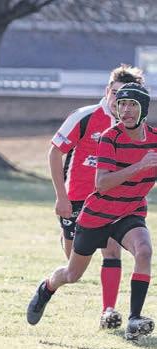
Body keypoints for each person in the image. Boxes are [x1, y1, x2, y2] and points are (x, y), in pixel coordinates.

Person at [28, 82, 157, 340]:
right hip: (96, 216)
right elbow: (102, 183)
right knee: (72, 274)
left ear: (143, 108)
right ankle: (47, 287)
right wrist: (140, 166)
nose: (125, 110)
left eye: (132, 105)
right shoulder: (110, 137)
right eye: (121, 104)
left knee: (144, 251)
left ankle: (134, 320)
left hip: (129, 212)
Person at [48, 65, 144, 328]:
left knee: (112, 251)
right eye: (115, 94)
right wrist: (61, 197)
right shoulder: (85, 117)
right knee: (73, 269)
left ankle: (108, 311)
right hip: (76, 200)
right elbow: (55, 153)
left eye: (126, 97)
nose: (118, 102)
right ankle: (52, 278)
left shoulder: (134, 127)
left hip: (110, 202)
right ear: (106, 91)